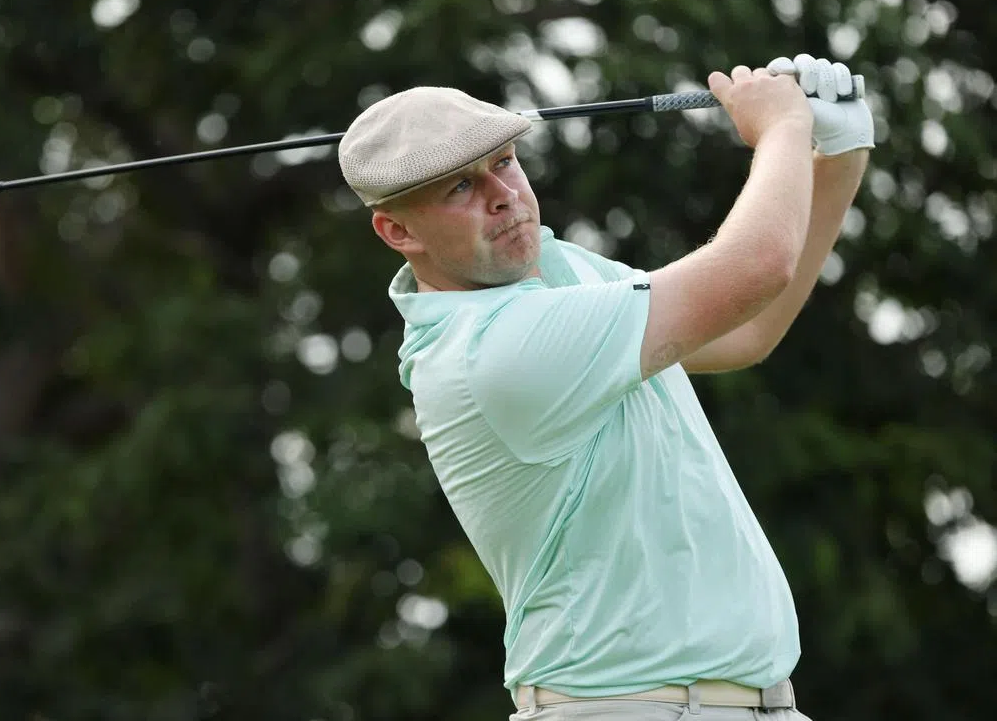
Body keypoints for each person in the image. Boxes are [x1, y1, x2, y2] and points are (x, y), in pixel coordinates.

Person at [337, 53, 873, 720]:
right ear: (397, 231)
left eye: (503, 162)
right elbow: (757, 265)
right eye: (457, 189)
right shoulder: (491, 350)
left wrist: (838, 155)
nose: (501, 194)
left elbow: (744, 329)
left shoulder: (560, 273)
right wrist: (784, 125)